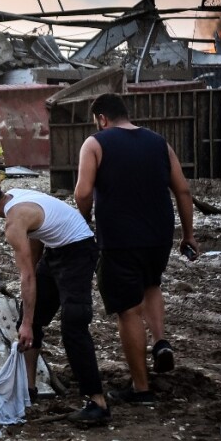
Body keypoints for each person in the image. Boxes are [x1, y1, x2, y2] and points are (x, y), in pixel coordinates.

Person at [74, 93, 198, 405]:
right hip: (158, 236)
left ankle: (141, 389)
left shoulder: (95, 143)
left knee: (128, 310)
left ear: (102, 118)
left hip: (119, 239)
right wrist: (188, 234)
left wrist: (83, 221)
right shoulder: (159, 142)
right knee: (151, 284)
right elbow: (183, 189)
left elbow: (83, 192)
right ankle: (160, 341)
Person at [0, 169, 110, 426]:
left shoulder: (13, 223)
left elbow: (27, 276)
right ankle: (29, 390)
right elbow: (41, 237)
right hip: (56, 251)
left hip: (79, 250)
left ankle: (97, 403)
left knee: (74, 323)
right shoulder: (14, 197)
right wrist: (28, 320)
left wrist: (28, 323)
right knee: (29, 317)